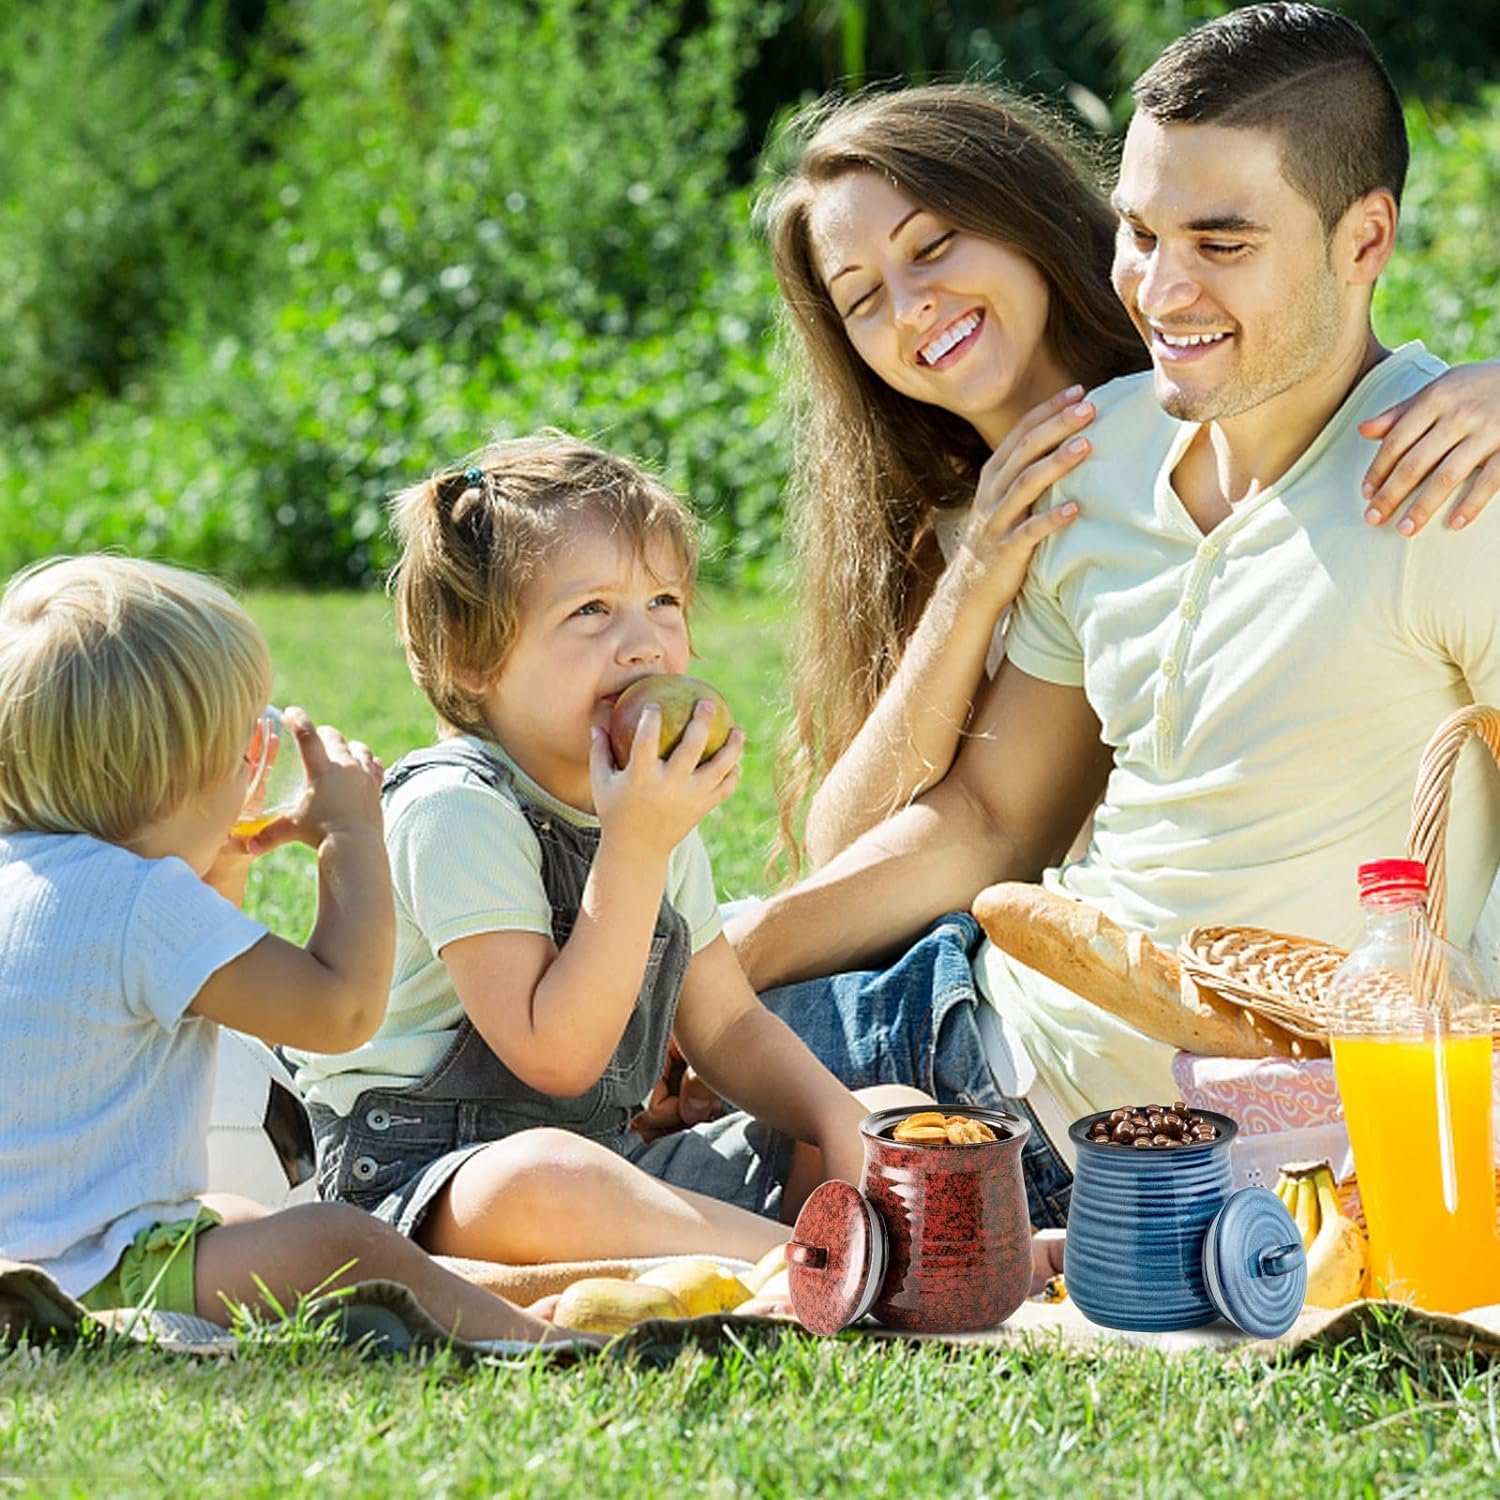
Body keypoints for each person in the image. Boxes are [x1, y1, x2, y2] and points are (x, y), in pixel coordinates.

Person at [729, 2, 1500, 1218]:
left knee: (566, 1153)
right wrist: (724, 966)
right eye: (1139, 233)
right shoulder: (1098, 450)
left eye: (1222, 241)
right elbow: (986, 815)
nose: (1162, 286)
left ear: (1367, 240)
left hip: (1155, 1148)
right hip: (970, 1026)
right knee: (568, 1036)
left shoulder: (1452, 485)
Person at [762, 82, 1500, 876]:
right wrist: (972, 582)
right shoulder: (938, 538)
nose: (909, 308)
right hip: (1021, 950)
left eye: (932, 247)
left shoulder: (1219, 419)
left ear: (1024, 217)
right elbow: (845, 854)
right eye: (863, 298)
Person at [288, 433, 940, 1271]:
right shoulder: (455, 810)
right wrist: (635, 844)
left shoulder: (645, 810)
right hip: (426, 1187)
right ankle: (823, 1265)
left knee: (889, 1112)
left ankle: (824, 1255)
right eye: (591, 610)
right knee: (543, 1178)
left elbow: (730, 1022)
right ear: (473, 657)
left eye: (663, 601)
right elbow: (555, 1056)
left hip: (611, 1168)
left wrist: (830, 1118)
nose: (643, 644)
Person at [0, 554, 587, 1342]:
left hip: (26, 1247)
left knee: (239, 1213)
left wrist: (221, 862)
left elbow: (171, 986)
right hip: (93, 1268)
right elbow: (339, 1010)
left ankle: (485, 1296)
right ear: (198, 772)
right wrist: (351, 835)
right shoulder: (142, 902)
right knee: (337, 1241)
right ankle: (547, 1342)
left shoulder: (34, 877)